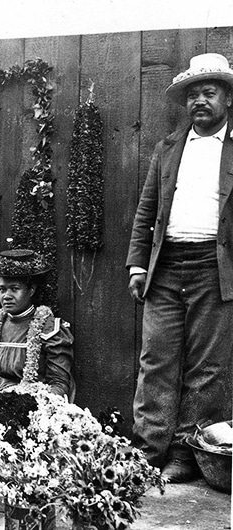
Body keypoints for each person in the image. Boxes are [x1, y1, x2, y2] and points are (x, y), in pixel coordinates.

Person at [126, 52, 233, 483]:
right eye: (193, 95)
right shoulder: (168, 147)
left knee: (208, 366)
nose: (200, 102)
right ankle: (146, 451)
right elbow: (146, 209)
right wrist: (137, 265)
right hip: (165, 264)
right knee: (157, 358)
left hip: (216, 267)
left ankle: (185, 455)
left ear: (227, 98)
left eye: (209, 93)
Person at [0, 249, 74, 398]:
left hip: (28, 401)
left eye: (15, 289)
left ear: (31, 290)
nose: (7, 296)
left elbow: (59, 384)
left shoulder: (49, 329)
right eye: (2, 289)